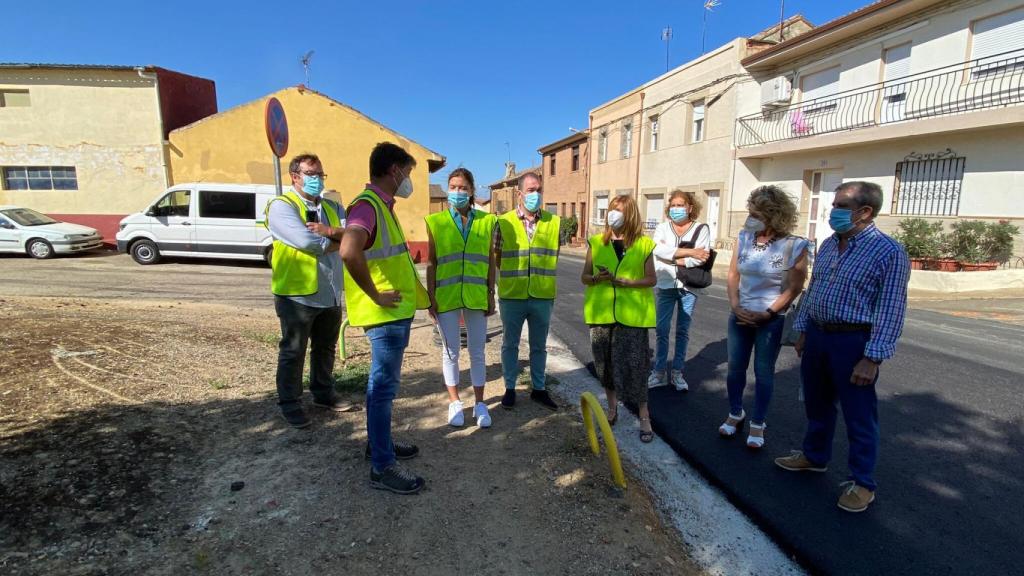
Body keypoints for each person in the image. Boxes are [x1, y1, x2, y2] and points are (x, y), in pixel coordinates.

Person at [775, 181, 910, 513]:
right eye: (833, 205)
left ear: (864, 212)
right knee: (817, 404)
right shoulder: (829, 244)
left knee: (859, 415)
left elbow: (891, 308)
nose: (832, 211)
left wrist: (872, 357)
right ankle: (814, 456)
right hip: (818, 336)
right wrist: (802, 330)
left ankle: (863, 482)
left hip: (853, 343)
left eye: (840, 206)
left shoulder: (889, 252)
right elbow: (814, 290)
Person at [340, 142, 431, 495]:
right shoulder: (368, 206)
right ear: (394, 170)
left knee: (381, 388)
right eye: (407, 172)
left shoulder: (378, 206)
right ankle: (381, 466)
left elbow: (355, 243)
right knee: (383, 389)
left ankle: (379, 445)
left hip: (391, 313)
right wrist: (375, 294)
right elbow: (350, 251)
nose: (409, 179)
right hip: (384, 314)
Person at [266, 153, 356, 429]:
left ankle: (323, 393)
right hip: (297, 294)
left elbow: (353, 234)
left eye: (320, 174)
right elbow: (307, 242)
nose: (317, 179)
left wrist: (332, 232)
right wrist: (334, 238)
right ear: (295, 176)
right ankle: (290, 403)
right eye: (311, 174)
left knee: (325, 347)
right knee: (293, 350)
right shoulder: (282, 206)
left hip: (329, 291)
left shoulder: (331, 206)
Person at [720, 186, 808, 449]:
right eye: (750, 211)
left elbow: (795, 287)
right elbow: (734, 274)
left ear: (774, 214)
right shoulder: (745, 238)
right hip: (740, 315)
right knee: (735, 367)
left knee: (763, 372)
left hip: (771, 318)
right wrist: (735, 306)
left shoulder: (794, 245)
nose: (750, 217)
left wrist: (767, 313)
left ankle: (758, 423)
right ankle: (736, 412)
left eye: (756, 212)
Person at [425, 168, 497, 428]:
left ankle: (479, 403)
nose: (457, 192)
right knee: (450, 352)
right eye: (453, 187)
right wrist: (430, 298)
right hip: (446, 297)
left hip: (477, 296)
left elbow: (490, 260)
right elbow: (432, 262)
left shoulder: (487, 222)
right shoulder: (436, 222)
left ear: (471, 190)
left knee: (478, 351)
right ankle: (455, 402)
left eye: (462, 187)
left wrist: (491, 293)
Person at [581, 195, 658, 442]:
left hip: (633, 315)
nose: (614, 214)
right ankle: (612, 409)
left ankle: (644, 415)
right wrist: (597, 279)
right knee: (605, 365)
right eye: (612, 209)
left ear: (631, 214)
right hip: (601, 312)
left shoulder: (644, 245)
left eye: (620, 210)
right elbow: (584, 276)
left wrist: (629, 283)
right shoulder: (596, 242)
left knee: (637, 365)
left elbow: (652, 279)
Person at [495, 172, 560, 411]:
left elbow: (554, 256)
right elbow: (498, 258)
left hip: (542, 296)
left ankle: (539, 389)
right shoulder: (503, 222)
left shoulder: (554, 222)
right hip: (513, 295)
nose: (536, 194)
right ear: (519, 193)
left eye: (539, 189)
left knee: (539, 346)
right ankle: (510, 388)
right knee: (510, 344)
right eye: (531, 190)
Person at [650, 190, 712, 392]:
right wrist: (690, 251)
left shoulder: (701, 229)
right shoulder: (661, 228)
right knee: (661, 330)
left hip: (689, 286)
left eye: (681, 205)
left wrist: (674, 258)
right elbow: (657, 250)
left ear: (690, 207)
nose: (677, 209)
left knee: (683, 331)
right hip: (666, 283)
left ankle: (677, 373)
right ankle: (659, 372)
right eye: (673, 205)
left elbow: (702, 257)